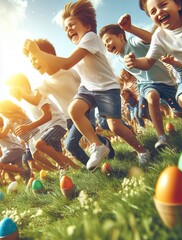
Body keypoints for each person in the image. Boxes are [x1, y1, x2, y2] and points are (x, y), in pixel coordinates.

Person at [23, 0, 150, 169]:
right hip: (89, 88)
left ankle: (142, 151)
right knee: (74, 110)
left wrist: (38, 53)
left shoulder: (91, 38)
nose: (68, 30)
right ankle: (98, 145)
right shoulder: (81, 46)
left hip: (106, 88)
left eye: (72, 25)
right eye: (66, 28)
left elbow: (67, 63)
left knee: (115, 126)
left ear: (87, 26)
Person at [99, 15, 182, 150]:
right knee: (152, 96)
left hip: (165, 82)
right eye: (105, 45)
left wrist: (130, 28)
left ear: (121, 37)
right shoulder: (120, 58)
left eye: (108, 40)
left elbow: (151, 38)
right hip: (146, 84)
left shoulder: (132, 42)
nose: (107, 46)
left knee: (179, 111)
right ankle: (161, 136)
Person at [24, 38, 115, 165]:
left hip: (85, 110)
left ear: (49, 55)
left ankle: (93, 166)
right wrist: (20, 93)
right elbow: (35, 100)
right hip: (69, 118)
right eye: (31, 61)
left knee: (70, 145)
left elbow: (88, 84)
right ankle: (103, 147)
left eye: (35, 58)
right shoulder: (44, 82)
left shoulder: (69, 71)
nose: (33, 64)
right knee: (87, 137)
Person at [6, 73, 80, 171]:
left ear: (23, 85)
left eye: (14, 89)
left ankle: (63, 167)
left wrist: (28, 127)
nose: (12, 92)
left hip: (57, 124)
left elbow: (47, 116)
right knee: (58, 154)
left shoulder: (37, 95)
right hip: (47, 129)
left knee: (39, 144)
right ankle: (78, 169)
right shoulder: (25, 103)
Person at [0, 116, 31, 184]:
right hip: (17, 149)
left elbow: (2, 135)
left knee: (1, 164)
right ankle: (29, 179)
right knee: (19, 169)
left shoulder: (2, 130)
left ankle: (25, 172)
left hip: (14, 149)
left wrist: (8, 124)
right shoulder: (3, 129)